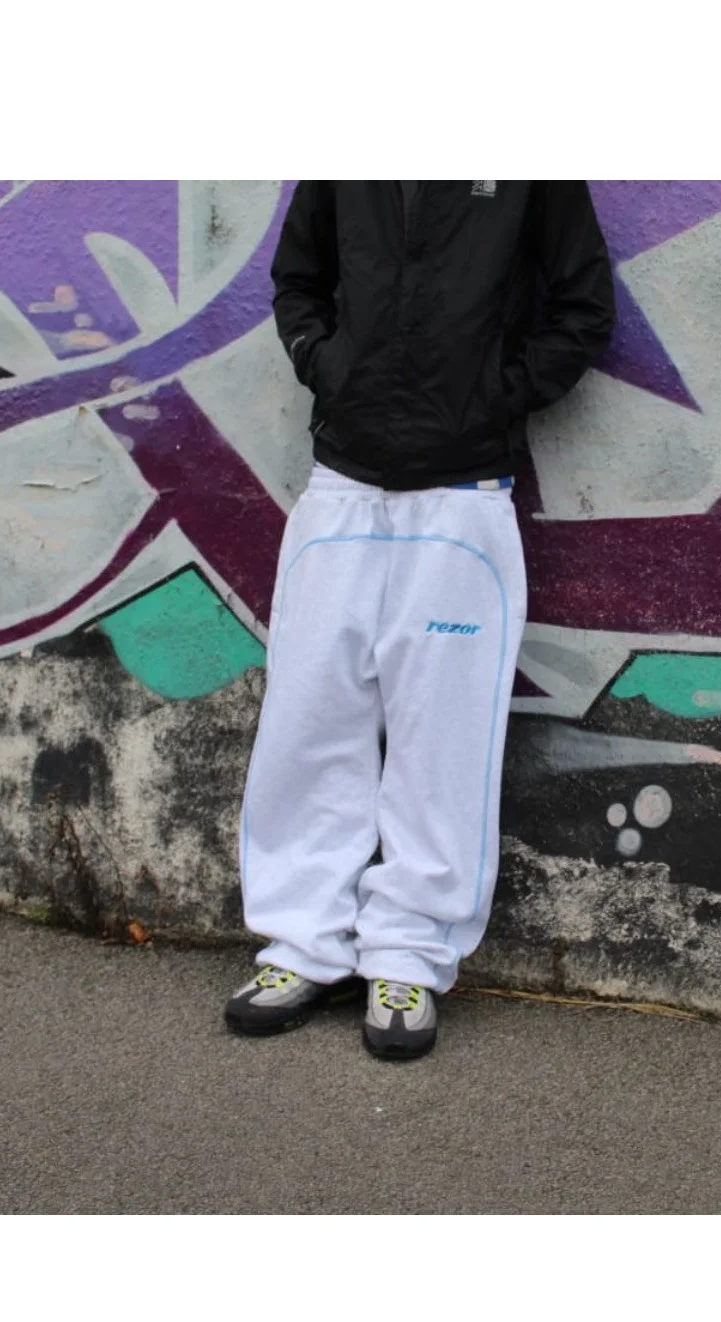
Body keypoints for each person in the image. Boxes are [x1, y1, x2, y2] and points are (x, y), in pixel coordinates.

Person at [225, 181, 615, 1059]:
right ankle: (302, 944)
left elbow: (584, 308)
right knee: (307, 722)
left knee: (443, 740)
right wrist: (328, 365)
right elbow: (298, 280)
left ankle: (407, 954)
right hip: (341, 485)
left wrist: (496, 394)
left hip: (464, 494)